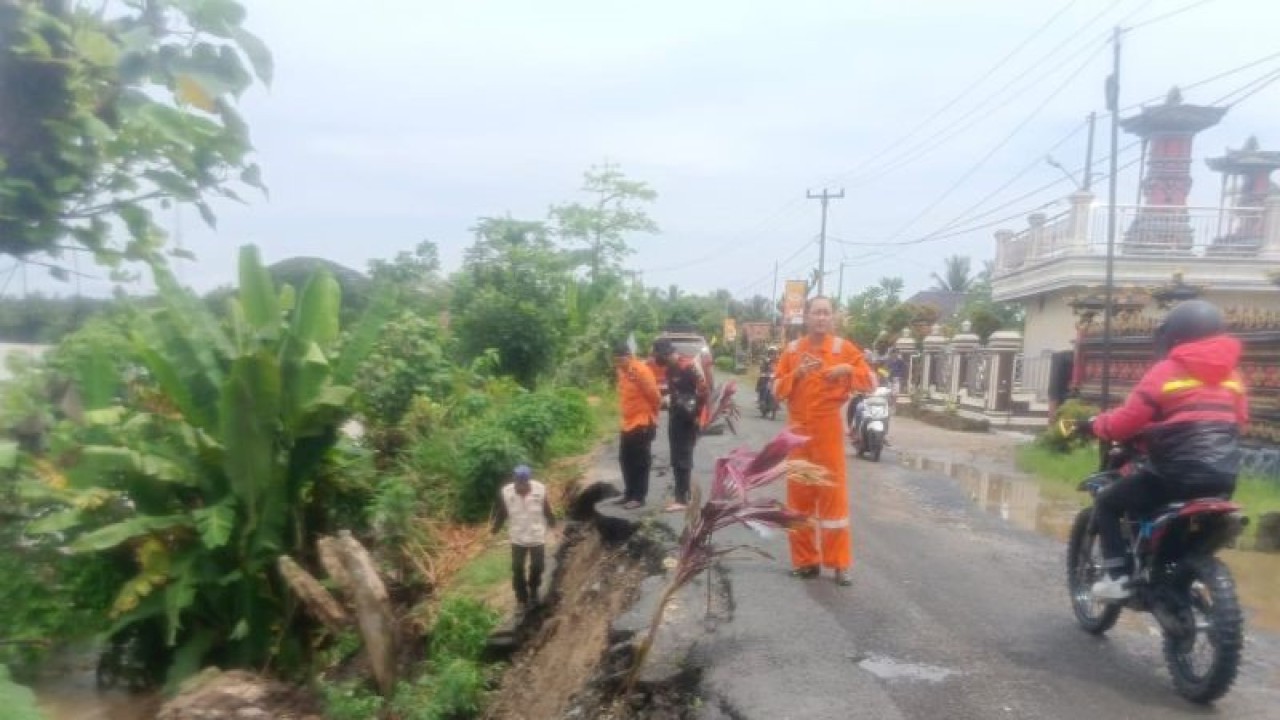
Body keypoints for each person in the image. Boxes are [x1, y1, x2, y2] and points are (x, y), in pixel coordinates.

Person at [1080, 300, 1247, 601]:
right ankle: (1185, 571)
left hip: (1175, 475)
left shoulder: (1166, 371)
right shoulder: (1233, 378)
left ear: (1175, 335)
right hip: (1223, 478)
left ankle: (1117, 579)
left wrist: (1097, 425)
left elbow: (1124, 424)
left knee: (1107, 501)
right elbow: (1238, 422)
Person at [774, 296, 874, 586]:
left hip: (828, 432)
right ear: (805, 317)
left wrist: (847, 370)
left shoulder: (844, 349)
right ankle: (806, 562)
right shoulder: (792, 351)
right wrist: (797, 373)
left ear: (833, 318)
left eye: (826, 313)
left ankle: (839, 564)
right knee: (799, 500)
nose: (821, 318)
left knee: (834, 500)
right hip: (798, 435)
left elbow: (870, 381)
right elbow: (776, 389)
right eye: (816, 313)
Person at [653, 337, 709, 512]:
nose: (658, 360)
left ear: (668, 354)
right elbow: (673, 391)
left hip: (688, 418)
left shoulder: (688, 366)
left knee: (683, 457)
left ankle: (682, 499)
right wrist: (668, 399)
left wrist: (697, 416)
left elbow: (703, 390)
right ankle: (682, 495)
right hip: (676, 415)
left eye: (659, 356)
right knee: (676, 457)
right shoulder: (670, 369)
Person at [491, 465, 557, 608]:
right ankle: (521, 598)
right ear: (514, 481)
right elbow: (502, 512)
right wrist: (495, 528)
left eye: (523, 483)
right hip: (518, 537)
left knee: (538, 566)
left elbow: (546, 508)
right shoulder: (507, 493)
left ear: (528, 481)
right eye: (518, 483)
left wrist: (553, 523)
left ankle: (533, 590)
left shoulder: (539, 489)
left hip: (536, 536)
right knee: (517, 568)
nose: (520, 487)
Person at [613, 341, 661, 509]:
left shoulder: (641, 371)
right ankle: (629, 492)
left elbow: (655, 396)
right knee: (625, 459)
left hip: (642, 422)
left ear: (628, 356)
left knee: (640, 461)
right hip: (627, 423)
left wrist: (653, 418)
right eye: (616, 362)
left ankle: (639, 497)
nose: (618, 365)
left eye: (620, 361)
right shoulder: (622, 372)